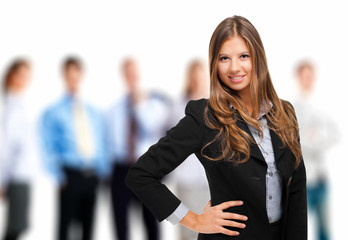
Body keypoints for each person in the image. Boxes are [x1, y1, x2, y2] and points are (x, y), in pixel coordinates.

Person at [125, 16, 307, 240]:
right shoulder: (205, 118)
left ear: (257, 58)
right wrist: (194, 220)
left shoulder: (285, 113)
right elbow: (141, 174)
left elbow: (297, 191)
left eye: (243, 56)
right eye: (224, 58)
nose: (234, 67)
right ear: (214, 64)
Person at [40, 57, 109, 240]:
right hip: (70, 175)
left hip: (92, 175)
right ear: (64, 77)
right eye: (69, 76)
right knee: (65, 227)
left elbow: (100, 142)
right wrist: (57, 175)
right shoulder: (54, 111)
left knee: (88, 228)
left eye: (76, 76)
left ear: (81, 76)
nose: (73, 80)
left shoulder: (92, 111)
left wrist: (103, 171)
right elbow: (47, 145)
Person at [106, 58, 170, 240]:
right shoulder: (115, 109)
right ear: (123, 76)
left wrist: (139, 104)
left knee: (151, 221)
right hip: (120, 169)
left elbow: (150, 127)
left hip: (146, 169)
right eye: (127, 73)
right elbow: (111, 142)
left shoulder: (153, 104)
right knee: (120, 223)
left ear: (139, 75)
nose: (131, 77)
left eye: (134, 73)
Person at [293, 60, 337, 240]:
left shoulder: (322, 105)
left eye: (311, 76)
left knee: (325, 230)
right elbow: (298, 141)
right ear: (299, 78)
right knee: (300, 229)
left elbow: (336, 134)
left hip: (321, 178)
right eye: (305, 76)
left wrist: (316, 137)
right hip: (305, 181)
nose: (308, 80)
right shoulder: (294, 107)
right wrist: (317, 139)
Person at [167, 59, 210, 240]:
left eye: (201, 77)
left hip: (209, 181)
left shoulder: (215, 105)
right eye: (194, 77)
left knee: (211, 229)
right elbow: (167, 138)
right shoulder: (178, 107)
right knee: (188, 230)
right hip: (187, 180)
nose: (197, 81)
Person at [0, 59, 33, 240]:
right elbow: (6, 147)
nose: (24, 79)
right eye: (20, 74)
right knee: (15, 228)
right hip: (15, 175)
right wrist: (2, 180)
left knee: (20, 226)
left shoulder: (22, 104)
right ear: (11, 76)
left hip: (25, 174)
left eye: (27, 75)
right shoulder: (10, 106)